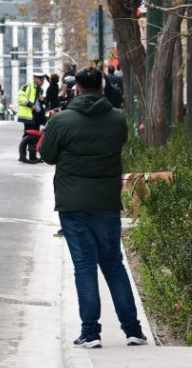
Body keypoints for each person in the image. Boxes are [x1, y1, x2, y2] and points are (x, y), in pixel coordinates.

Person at [40, 68, 147, 349]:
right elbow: (117, 143)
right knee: (113, 264)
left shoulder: (62, 120)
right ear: (102, 87)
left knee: (85, 266)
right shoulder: (117, 119)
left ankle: (91, 332)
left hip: (73, 204)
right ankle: (133, 330)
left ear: (77, 89)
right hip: (106, 202)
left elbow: (48, 156)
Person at [17, 74, 45, 163]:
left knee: (35, 136)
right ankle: (22, 155)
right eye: (41, 80)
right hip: (29, 115)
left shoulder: (40, 89)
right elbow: (20, 97)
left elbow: (39, 102)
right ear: (36, 79)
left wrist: (42, 100)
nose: (42, 82)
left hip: (37, 116)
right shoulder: (27, 87)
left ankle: (33, 156)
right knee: (27, 136)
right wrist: (30, 104)